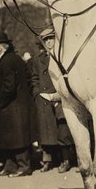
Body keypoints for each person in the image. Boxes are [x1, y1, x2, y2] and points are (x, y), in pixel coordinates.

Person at [0, 32, 34, 178]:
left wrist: (0, 102)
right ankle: (10, 166)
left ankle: (23, 167)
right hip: (16, 104)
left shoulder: (7, 61)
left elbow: (9, 85)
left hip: (11, 105)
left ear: (1, 48)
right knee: (11, 138)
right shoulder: (13, 59)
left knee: (17, 138)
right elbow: (27, 78)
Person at [30, 27, 75, 173]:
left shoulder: (63, 56)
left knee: (63, 132)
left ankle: (66, 160)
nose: (49, 42)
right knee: (46, 132)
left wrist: (61, 95)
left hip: (60, 97)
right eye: (46, 40)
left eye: (51, 39)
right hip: (44, 99)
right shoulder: (38, 59)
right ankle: (47, 161)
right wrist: (37, 93)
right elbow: (34, 78)